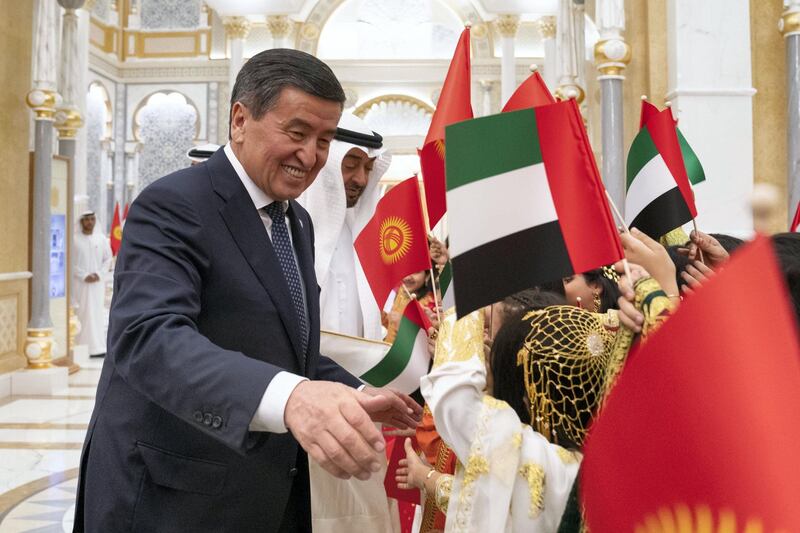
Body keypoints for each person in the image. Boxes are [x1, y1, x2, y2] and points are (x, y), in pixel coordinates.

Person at [74, 48, 421, 533]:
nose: (312, 156)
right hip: (172, 498)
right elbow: (148, 339)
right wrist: (294, 399)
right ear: (240, 119)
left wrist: (354, 392)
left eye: (324, 140)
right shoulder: (173, 204)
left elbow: (284, 347)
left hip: (261, 493)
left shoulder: (294, 220)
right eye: (297, 134)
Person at [297, 113, 400, 532]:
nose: (359, 178)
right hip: (305, 414)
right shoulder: (295, 234)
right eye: (349, 163)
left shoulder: (364, 240)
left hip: (363, 407)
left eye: (367, 168)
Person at [72, 210, 112, 358]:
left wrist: (99, 274)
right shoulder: (74, 239)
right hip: (80, 284)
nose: (90, 222)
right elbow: (70, 261)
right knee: (82, 313)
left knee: (96, 314)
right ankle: (81, 347)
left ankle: (97, 347)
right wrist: (83, 275)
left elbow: (108, 259)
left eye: (92, 219)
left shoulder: (101, 239)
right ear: (81, 222)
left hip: (97, 284)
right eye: (87, 219)